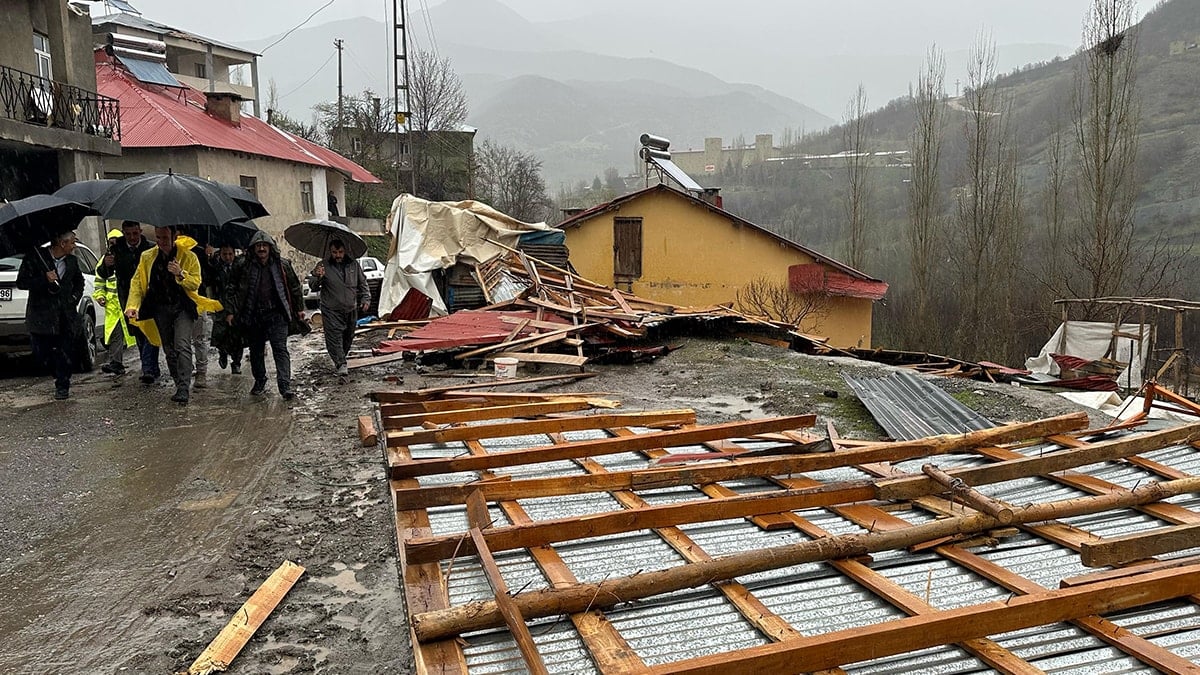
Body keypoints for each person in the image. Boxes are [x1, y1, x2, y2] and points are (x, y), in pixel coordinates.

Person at [124, 227, 221, 405]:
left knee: (182, 344)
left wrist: (180, 273)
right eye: (158, 237)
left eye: (165, 238)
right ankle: (178, 383)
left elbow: (196, 283)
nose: (161, 242)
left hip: (183, 307)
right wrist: (132, 306)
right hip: (160, 308)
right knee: (169, 348)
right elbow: (137, 283)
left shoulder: (188, 256)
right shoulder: (147, 257)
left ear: (175, 237)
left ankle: (184, 386)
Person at [228, 231, 303, 399]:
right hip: (253, 315)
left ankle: (285, 386)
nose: (261, 248)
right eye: (258, 246)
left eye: (264, 245)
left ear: (270, 247)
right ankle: (260, 380)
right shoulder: (243, 266)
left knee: (280, 350)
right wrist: (230, 311)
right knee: (256, 351)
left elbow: (295, 287)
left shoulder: (283, 265)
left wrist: (299, 309)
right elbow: (231, 288)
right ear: (253, 248)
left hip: (277, 314)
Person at [16, 231, 84, 400]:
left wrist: (73, 298)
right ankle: (55, 372)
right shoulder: (35, 258)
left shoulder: (72, 261)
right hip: (42, 316)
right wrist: (43, 279)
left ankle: (63, 384)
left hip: (65, 316)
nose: (74, 246)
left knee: (65, 352)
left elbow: (79, 283)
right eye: (72, 243)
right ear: (62, 244)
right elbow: (22, 282)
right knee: (43, 353)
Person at [97, 220, 159, 383]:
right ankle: (151, 365)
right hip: (128, 298)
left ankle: (148, 368)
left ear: (140, 231)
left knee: (150, 332)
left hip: (149, 297)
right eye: (128, 234)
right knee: (138, 333)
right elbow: (103, 273)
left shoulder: (151, 248)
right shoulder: (117, 249)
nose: (132, 237)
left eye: (135, 233)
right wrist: (106, 264)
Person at [311, 239, 370, 377]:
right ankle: (340, 363)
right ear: (330, 252)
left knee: (348, 337)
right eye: (334, 252)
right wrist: (318, 276)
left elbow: (363, 283)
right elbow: (313, 285)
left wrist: (366, 298)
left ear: (345, 251)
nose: (338, 255)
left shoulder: (353, 265)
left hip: (350, 308)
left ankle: (341, 357)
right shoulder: (322, 265)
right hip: (331, 309)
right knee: (334, 337)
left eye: (340, 252)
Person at [94, 228, 135, 374]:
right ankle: (116, 363)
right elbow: (99, 282)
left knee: (140, 335)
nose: (113, 245)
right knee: (116, 336)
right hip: (113, 307)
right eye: (111, 243)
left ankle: (149, 366)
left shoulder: (127, 257)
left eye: (116, 242)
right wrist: (100, 296)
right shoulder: (104, 261)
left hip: (129, 303)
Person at [210, 244, 244, 374]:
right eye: (225, 254)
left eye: (230, 254)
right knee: (220, 333)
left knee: (237, 336)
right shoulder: (216, 267)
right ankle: (222, 352)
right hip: (220, 305)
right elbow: (208, 280)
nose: (228, 257)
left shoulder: (239, 267)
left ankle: (236, 362)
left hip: (236, 306)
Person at [188, 242, 218, 388]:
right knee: (181, 343)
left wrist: (210, 259)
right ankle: (185, 371)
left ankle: (201, 372)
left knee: (199, 339)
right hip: (177, 304)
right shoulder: (167, 252)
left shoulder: (198, 252)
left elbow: (209, 278)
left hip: (197, 301)